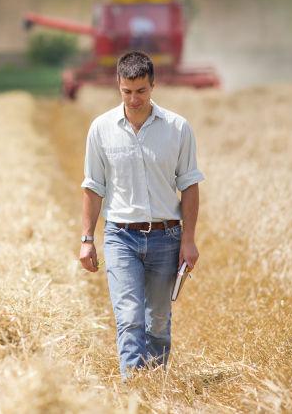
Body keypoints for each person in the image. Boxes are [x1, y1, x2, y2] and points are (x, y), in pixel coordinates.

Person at [78, 51, 204, 379]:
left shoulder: (178, 128)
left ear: (153, 86)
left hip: (167, 236)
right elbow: (92, 187)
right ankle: (134, 391)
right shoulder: (101, 129)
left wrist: (188, 240)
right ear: (118, 86)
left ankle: (156, 384)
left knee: (158, 321)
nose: (134, 99)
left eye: (141, 91)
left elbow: (190, 185)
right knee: (129, 318)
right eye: (126, 91)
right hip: (121, 236)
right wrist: (87, 240)